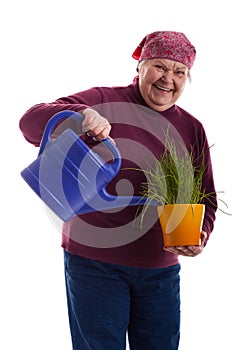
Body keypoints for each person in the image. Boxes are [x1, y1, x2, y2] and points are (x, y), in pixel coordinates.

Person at [19, 31, 217, 350]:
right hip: (94, 265)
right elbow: (29, 124)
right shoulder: (102, 100)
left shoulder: (191, 127)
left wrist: (201, 235)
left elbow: (204, 193)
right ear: (139, 67)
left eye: (179, 71)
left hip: (160, 269)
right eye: (159, 67)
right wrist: (82, 116)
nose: (168, 79)